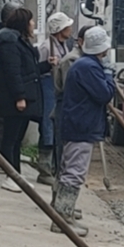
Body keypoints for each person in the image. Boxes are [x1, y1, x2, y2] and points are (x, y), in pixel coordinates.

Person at [51, 27, 115, 237]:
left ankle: (62, 213)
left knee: (69, 168)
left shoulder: (83, 64)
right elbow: (104, 94)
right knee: (74, 172)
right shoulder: (89, 67)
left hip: (77, 124)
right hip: (82, 126)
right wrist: (108, 75)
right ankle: (63, 217)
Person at [0, 4, 42, 192]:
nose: (33, 24)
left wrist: (46, 66)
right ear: (23, 23)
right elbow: (13, 72)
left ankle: (16, 174)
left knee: (17, 139)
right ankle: (11, 176)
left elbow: (28, 70)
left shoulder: (19, 41)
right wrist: (19, 96)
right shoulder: (9, 43)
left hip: (22, 97)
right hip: (13, 100)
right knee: (11, 138)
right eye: (31, 21)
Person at [34, 12, 77, 185]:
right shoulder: (46, 48)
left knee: (54, 128)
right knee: (47, 128)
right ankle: (44, 169)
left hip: (57, 92)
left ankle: (52, 167)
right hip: (48, 91)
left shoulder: (63, 46)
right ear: (59, 29)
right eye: (67, 26)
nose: (70, 29)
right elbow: (38, 70)